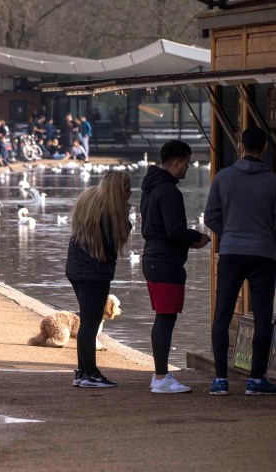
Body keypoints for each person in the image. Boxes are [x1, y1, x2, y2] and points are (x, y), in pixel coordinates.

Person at [205, 126, 276, 395]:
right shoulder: (273, 182)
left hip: (231, 254)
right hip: (264, 255)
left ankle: (220, 379)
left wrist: (230, 233)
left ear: (240, 145)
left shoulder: (223, 178)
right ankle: (256, 380)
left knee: (222, 316)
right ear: (264, 149)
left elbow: (210, 217)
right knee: (263, 318)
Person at [140, 139, 208, 394]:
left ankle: (161, 375)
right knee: (165, 318)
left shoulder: (150, 188)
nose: (187, 169)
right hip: (165, 262)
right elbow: (175, 230)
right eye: (187, 163)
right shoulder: (168, 191)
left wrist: (183, 239)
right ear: (177, 162)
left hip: (154, 258)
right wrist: (198, 237)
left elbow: (160, 229)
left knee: (163, 317)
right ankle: (160, 377)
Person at [66, 171, 131, 389]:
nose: (129, 194)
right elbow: (114, 243)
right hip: (95, 272)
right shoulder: (111, 213)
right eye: (126, 189)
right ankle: (91, 374)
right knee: (91, 323)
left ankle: (83, 372)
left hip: (77, 268)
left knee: (87, 321)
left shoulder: (89, 198)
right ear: (116, 190)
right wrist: (127, 221)